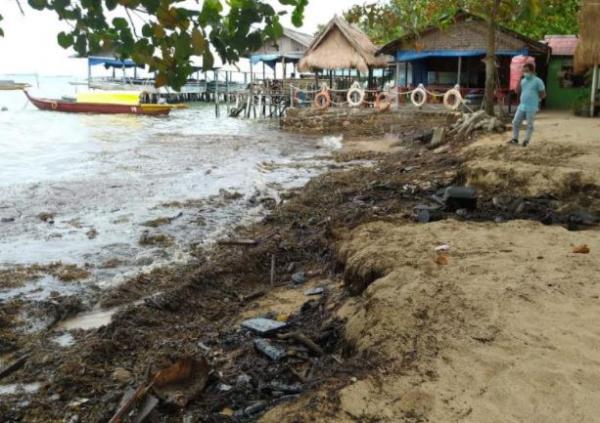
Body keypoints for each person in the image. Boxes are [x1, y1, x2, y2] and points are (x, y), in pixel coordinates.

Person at [509, 63, 546, 147]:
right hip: (522, 105)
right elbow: (517, 91)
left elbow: (543, 94)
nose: (525, 73)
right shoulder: (523, 80)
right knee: (515, 122)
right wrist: (519, 80)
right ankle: (515, 139)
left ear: (532, 71)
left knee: (529, 124)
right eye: (524, 71)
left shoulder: (538, 81)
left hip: (532, 106)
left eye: (527, 71)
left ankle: (526, 140)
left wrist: (536, 99)